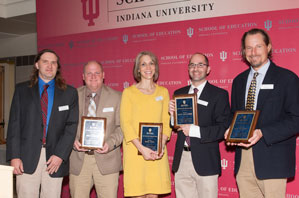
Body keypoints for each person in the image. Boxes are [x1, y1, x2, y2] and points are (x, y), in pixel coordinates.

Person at [225, 28, 299, 198]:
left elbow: (296, 119)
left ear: (269, 47)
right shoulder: (238, 81)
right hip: (243, 160)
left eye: (258, 46)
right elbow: (233, 115)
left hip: (272, 159)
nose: (253, 52)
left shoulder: (287, 79)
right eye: (249, 48)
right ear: (244, 51)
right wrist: (229, 129)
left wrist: (263, 133)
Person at [6, 49, 79, 198]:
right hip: (25, 157)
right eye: (45, 61)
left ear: (57, 67)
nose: (49, 66)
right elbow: (14, 125)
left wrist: (60, 155)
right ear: (37, 65)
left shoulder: (69, 93)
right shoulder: (21, 90)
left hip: (54, 158)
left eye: (53, 62)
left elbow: (71, 126)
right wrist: (14, 156)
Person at [169, 52, 230, 198]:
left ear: (208, 69)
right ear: (188, 69)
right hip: (182, 159)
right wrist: (173, 117)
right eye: (192, 65)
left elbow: (223, 128)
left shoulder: (219, 94)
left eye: (200, 64)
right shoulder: (179, 93)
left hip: (206, 160)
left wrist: (195, 131)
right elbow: (176, 126)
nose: (196, 68)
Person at [120, 51, 171, 197]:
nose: (148, 67)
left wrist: (161, 144)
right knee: (138, 193)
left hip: (156, 152)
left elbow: (166, 122)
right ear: (138, 69)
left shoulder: (163, 92)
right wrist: (142, 149)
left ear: (155, 67)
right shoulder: (128, 92)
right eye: (143, 64)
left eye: (151, 63)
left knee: (153, 194)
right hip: (135, 152)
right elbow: (126, 123)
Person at [69, 61, 123, 198]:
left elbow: (122, 127)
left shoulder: (117, 97)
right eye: (89, 73)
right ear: (83, 76)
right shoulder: (72, 96)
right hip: (79, 160)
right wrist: (73, 141)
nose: (93, 76)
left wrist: (110, 143)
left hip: (107, 160)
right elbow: (65, 125)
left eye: (97, 73)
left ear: (103, 75)